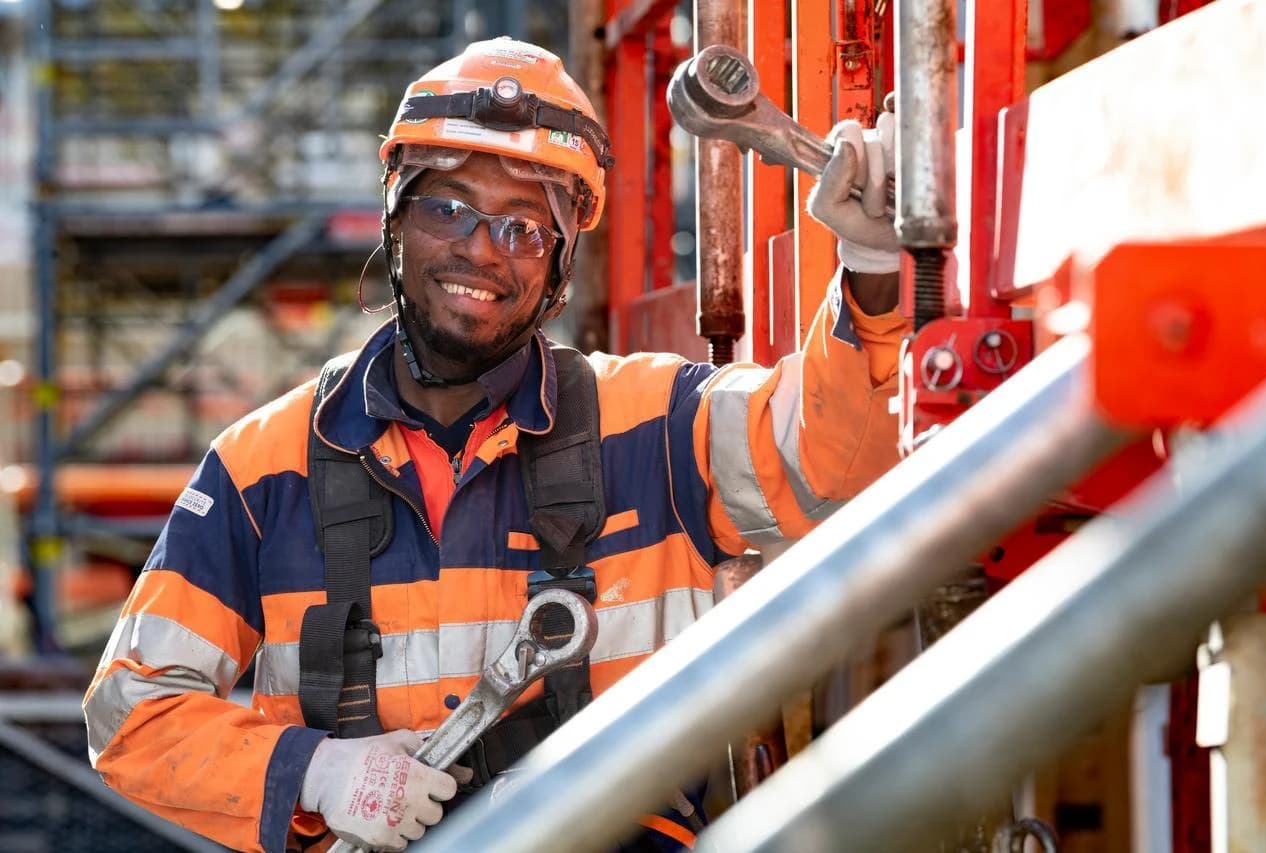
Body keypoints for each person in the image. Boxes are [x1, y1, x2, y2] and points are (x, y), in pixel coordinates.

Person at [84, 37, 906, 853]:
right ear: (395, 216)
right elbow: (132, 715)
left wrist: (870, 267)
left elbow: (830, 472)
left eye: (523, 227)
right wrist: (316, 773)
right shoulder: (262, 469)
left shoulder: (655, 425)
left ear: (560, 264)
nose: (480, 247)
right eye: (449, 208)